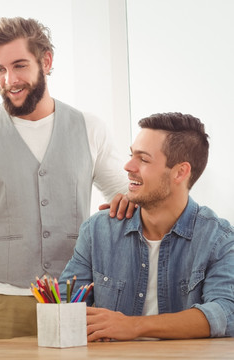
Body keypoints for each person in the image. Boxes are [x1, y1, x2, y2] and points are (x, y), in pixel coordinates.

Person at [0, 16, 131, 343]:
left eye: (19, 66)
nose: (9, 80)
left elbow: (127, 198)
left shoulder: (89, 128)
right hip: (1, 300)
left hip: (73, 300)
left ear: (46, 61)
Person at [60, 112, 234, 340]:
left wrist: (133, 326)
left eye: (143, 159)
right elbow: (64, 306)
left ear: (180, 172)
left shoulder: (217, 239)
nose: (128, 166)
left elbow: (225, 313)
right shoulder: (97, 231)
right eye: (132, 155)